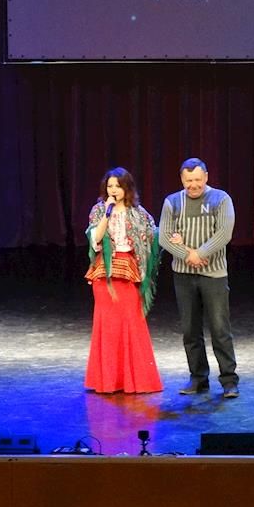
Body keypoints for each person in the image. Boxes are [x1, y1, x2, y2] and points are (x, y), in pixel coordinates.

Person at [159, 158, 239, 398]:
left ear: (206, 177)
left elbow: (224, 233)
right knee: (190, 331)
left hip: (213, 275)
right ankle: (198, 378)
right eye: (188, 181)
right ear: (182, 179)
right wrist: (188, 256)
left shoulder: (221, 199)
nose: (193, 185)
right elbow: (164, 237)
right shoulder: (172, 202)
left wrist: (200, 254)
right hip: (184, 276)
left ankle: (229, 380)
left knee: (220, 329)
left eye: (197, 180)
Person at [83, 167, 163, 394]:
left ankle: (136, 381)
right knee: (107, 325)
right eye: (110, 186)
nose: (113, 190)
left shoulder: (138, 213)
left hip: (128, 269)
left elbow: (153, 235)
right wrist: (107, 214)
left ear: (127, 188)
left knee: (131, 322)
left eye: (118, 186)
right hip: (105, 272)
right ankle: (108, 381)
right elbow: (95, 239)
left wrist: (170, 237)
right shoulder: (99, 210)